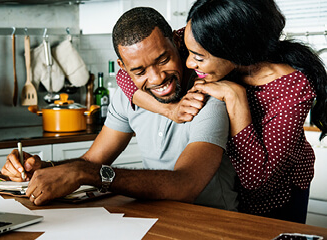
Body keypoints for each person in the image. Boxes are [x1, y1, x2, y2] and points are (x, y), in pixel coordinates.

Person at [1, 7, 238, 211]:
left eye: (163, 60)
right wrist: (45, 169)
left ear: (177, 42)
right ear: (123, 68)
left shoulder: (208, 95)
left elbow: (186, 185)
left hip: (214, 223)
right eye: (139, 71)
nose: (157, 78)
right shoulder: (127, 99)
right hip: (161, 218)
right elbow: (91, 161)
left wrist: (87, 173)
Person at [115, 0, 327, 223]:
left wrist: (235, 97)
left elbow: (257, 181)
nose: (188, 63)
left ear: (233, 50)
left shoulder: (291, 88)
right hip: (230, 190)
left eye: (198, 57)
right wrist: (170, 110)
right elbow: (126, 75)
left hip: (278, 197)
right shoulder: (199, 36)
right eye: (188, 52)